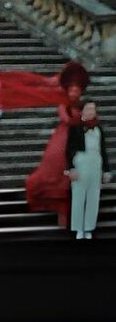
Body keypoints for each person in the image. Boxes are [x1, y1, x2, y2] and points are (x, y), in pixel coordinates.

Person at [26, 60, 90, 223]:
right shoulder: (65, 105)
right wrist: (80, 119)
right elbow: (67, 119)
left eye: (77, 90)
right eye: (72, 89)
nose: (74, 93)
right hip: (64, 138)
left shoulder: (82, 105)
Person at [64, 98, 110, 239]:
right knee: (78, 197)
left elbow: (103, 150)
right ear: (82, 110)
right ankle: (79, 228)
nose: (91, 111)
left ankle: (89, 227)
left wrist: (106, 170)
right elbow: (68, 149)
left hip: (95, 163)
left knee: (93, 197)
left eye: (93, 109)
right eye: (88, 109)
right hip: (81, 161)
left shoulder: (98, 128)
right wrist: (71, 168)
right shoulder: (75, 127)